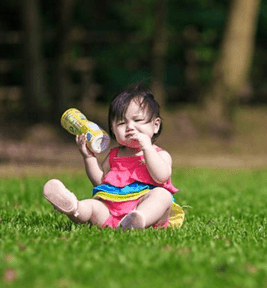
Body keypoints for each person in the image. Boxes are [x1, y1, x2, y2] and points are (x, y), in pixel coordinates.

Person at [43, 83, 185, 230]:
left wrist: (147, 147)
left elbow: (161, 176)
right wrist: (89, 157)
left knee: (162, 195)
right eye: (122, 123)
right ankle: (73, 207)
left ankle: (138, 219)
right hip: (111, 211)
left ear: (155, 125)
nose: (130, 127)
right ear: (113, 130)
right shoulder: (114, 156)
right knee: (93, 206)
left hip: (148, 211)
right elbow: (100, 183)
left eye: (137, 120)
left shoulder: (160, 154)